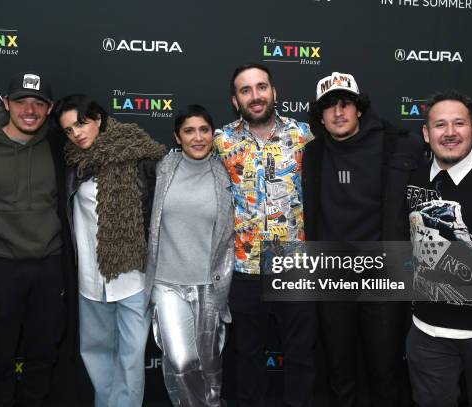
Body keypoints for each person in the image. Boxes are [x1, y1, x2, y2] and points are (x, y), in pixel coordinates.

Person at [303, 71, 424, 407]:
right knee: (339, 372)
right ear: (320, 116)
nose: (338, 112)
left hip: (384, 275)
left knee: (385, 373)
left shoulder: (398, 144)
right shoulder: (312, 154)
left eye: (345, 104)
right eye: (329, 107)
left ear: (359, 108)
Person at [0, 71, 73, 406]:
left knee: (43, 351)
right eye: (21, 101)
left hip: (49, 266)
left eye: (38, 103)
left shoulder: (59, 144)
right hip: (1, 266)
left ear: (49, 108)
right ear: (5, 103)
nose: (29, 110)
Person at [214, 63, 317, 407]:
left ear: (274, 92)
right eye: (246, 90)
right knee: (247, 359)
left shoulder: (304, 135)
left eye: (261, 87)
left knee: (301, 358)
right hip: (244, 270)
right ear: (235, 100)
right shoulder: (221, 141)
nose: (255, 96)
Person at [53, 94, 166, 407]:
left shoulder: (139, 155)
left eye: (81, 123)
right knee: (95, 352)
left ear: (98, 119)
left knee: (131, 359)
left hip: (132, 276)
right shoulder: (70, 162)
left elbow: (161, 210)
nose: (76, 133)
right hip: (90, 280)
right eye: (68, 130)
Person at [405, 90, 472, 407]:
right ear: (426, 133)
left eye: (459, 123)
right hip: (427, 335)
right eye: (440, 125)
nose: (450, 133)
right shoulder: (413, 179)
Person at [144, 104, 234, 406]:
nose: (198, 138)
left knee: (209, 368)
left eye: (204, 130)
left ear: (213, 133)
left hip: (209, 284)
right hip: (167, 283)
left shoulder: (226, 174)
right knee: (181, 362)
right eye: (189, 131)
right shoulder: (163, 168)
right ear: (177, 136)